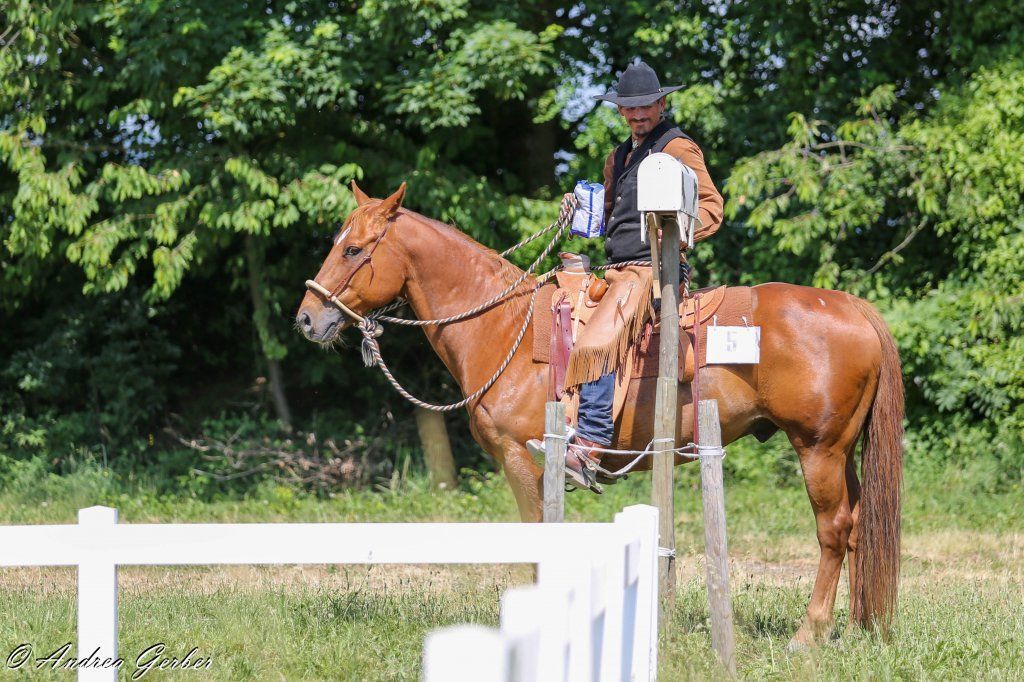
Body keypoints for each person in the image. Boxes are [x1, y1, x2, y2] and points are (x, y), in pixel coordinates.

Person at [529, 60, 724, 492]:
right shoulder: (616, 158)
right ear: (620, 111)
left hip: (652, 271)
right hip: (615, 270)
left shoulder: (677, 149)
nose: (638, 115)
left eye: (646, 107)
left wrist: (674, 229)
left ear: (662, 103)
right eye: (629, 109)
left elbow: (712, 208)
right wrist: (584, 214)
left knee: (600, 339)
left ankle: (591, 443)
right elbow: (614, 220)